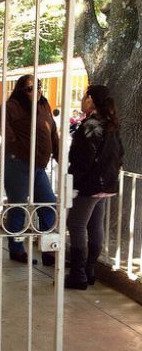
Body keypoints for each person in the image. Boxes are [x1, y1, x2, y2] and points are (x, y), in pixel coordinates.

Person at [0, 75, 59, 266]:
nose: (36, 91)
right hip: (17, 164)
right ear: (21, 91)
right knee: (17, 206)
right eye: (29, 88)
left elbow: (52, 132)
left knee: (48, 204)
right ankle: (17, 249)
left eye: (38, 86)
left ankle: (49, 251)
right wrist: (13, 140)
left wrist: (59, 155)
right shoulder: (15, 106)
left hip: (38, 166)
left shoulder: (43, 106)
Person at [65, 85, 124, 290]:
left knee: (76, 224)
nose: (82, 99)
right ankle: (89, 269)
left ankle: (78, 274)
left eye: (84, 96)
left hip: (89, 184)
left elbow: (82, 158)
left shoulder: (91, 124)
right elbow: (120, 154)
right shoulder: (110, 123)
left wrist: (73, 182)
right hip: (105, 184)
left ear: (90, 99)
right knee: (94, 225)